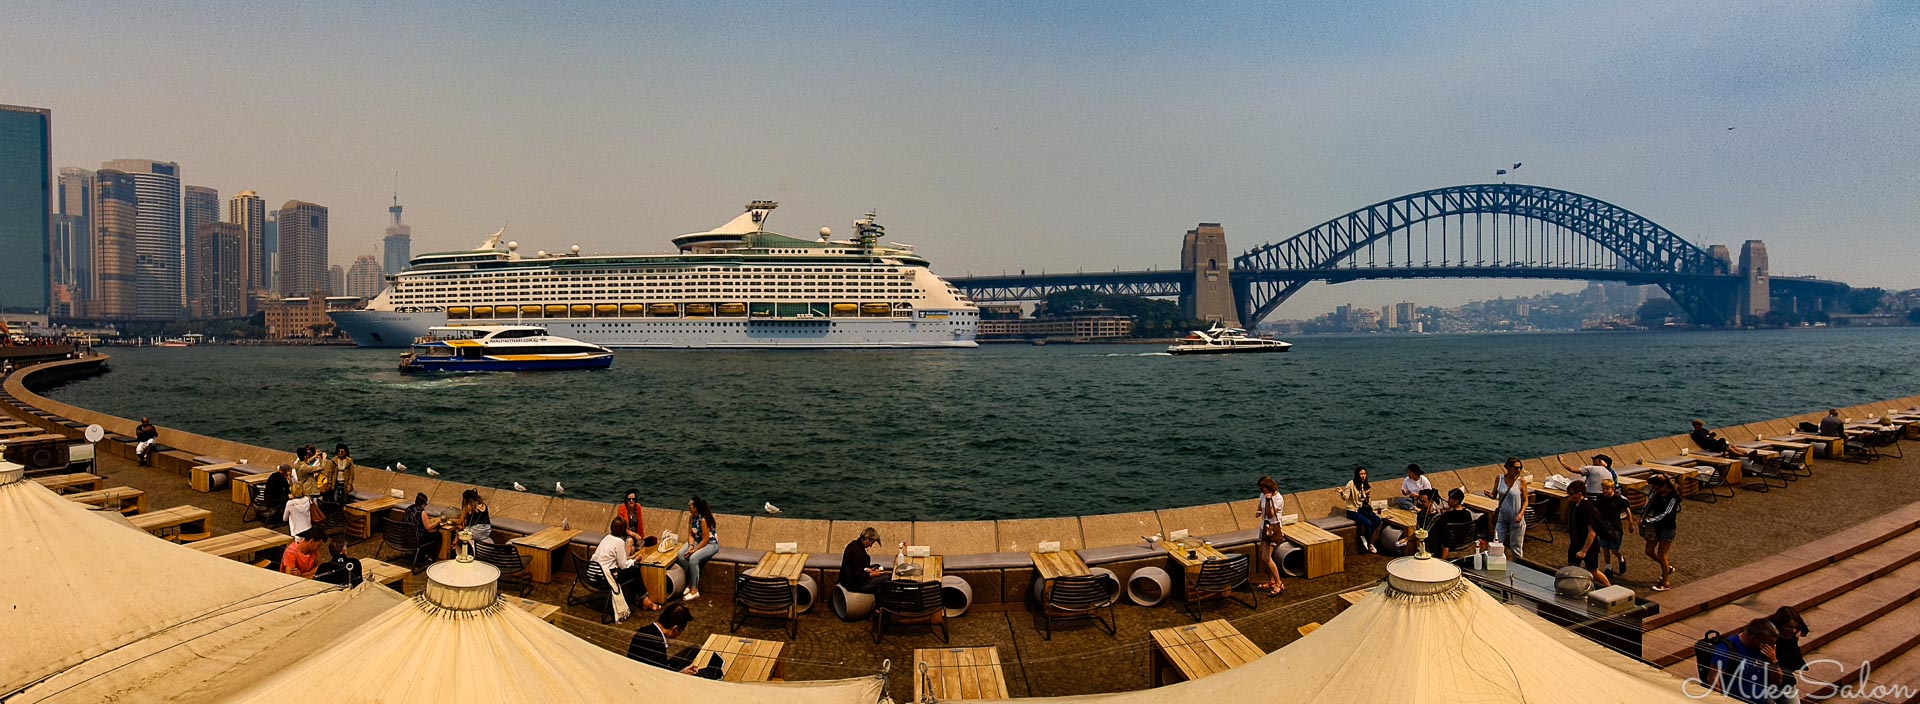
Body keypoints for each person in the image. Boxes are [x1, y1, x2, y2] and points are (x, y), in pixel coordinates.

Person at [1707, 618, 1788, 704]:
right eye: (1766, 643)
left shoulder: (1766, 651)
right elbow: (1713, 679)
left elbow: (1778, 681)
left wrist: (1773, 661)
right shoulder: (1727, 648)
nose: (1769, 647)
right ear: (1754, 638)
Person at [625, 604, 712, 676]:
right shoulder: (657, 645)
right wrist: (682, 673)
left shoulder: (644, 630)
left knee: (694, 649)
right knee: (705, 673)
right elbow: (661, 677)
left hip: (656, 668)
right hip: (649, 678)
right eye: (681, 631)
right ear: (675, 629)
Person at [593, 516, 655, 612]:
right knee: (634, 569)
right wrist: (635, 560)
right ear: (623, 530)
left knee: (630, 569)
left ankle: (636, 596)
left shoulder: (606, 538)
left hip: (593, 575)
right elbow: (623, 565)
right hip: (604, 579)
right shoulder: (619, 542)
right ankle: (645, 599)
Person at [1641, 473, 1682, 591]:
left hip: (1667, 528)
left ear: (1664, 485)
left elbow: (1667, 513)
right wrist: (1642, 517)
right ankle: (1667, 568)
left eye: (1657, 488)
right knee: (1649, 551)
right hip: (1655, 527)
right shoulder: (1657, 493)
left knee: (1662, 555)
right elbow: (1648, 505)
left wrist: (1650, 520)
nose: (1655, 490)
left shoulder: (1673, 497)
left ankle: (1665, 582)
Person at [1566, 488, 1612, 588]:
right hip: (1576, 543)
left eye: (1571, 494)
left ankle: (1610, 588)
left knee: (1593, 571)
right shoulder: (1574, 505)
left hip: (1589, 546)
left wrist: (1584, 551)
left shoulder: (1587, 508)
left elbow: (1592, 532)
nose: (1569, 496)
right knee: (1572, 568)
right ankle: (1574, 589)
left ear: (1579, 493)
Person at [1486, 457, 1529, 558]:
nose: (1518, 470)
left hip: (1516, 517)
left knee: (1516, 546)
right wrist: (1490, 495)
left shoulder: (1521, 482)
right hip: (1502, 515)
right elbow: (1494, 495)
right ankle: (1495, 564)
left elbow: (1526, 500)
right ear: (1508, 467)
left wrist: (1521, 514)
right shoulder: (1499, 479)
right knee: (1496, 542)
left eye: (1520, 468)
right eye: (1515, 468)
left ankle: (1518, 565)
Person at [679, 497, 720, 601]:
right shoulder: (691, 517)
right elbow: (691, 535)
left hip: (710, 543)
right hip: (698, 541)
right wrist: (691, 546)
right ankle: (689, 582)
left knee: (693, 559)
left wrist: (694, 551)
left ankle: (695, 590)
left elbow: (706, 540)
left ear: (696, 508)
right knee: (681, 555)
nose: (689, 506)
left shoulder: (703, 520)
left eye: (691, 505)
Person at [1253, 475, 1285, 596]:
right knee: (1264, 556)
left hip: (1273, 530)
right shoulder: (1263, 495)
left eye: (1263, 488)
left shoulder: (1278, 499)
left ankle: (1278, 583)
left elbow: (1271, 514)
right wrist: (1258, 511)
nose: (1261, 490)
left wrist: (1268, 500)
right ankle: (1272, 581)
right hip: (1264, 528)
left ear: (1268, 487)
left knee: (1266, 557)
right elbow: (1260, 502)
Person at [1595, 479, 1635, 577]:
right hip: (1604, 527)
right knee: (1605, 548)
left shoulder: (1619, 499)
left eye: (1607, 489)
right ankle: (1608, 568)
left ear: (1612, 489)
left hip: (1615, 527)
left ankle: (1621, 559)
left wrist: (1631, 523)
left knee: (1614, 549)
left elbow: (1627, 510)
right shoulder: (1600, 498)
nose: (1605, 491)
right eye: (1603, 489)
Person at [1337, 466, 1380, 553]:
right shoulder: (1351, 483)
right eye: (1361, 474)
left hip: (1362, 509)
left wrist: (1367, 497)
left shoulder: (1365, 485)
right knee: (1368, 523)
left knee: (1377, 520)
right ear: (1357, 475)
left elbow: (1366, 501)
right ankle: (1369, 543)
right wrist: (1341, 492)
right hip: (1352, 511)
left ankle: (1365, 537)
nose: (1363, 476)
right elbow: (1345, 498)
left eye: (1364, 474)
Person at [1769, 606, 1810, 697]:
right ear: (1780, 625)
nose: (1793, 630)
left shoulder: (1793, 636)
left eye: (1796, 627)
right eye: (1789, 627)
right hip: (1768, 682)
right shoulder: (1770, 639)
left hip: (1787, 681)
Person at [838, 527, 889, 594]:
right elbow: (857, 575)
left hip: (849, 579)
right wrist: (871, 574)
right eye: (872, 542)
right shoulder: (857, 552)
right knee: (886, 578)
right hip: (854, 584)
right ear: (867, 539)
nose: (871, 545)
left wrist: (869, 570)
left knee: (877, 566)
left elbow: (858, 568)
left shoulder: (855, 545)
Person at [1432, 488, 1477, 559]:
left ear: (1456, 501)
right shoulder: (1467, 513)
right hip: (1463, 541)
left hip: (1450, 544)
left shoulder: (1446, 516)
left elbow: (1439, 530)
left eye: (1450, 498)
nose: (1447, 500)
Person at [399, 492, 442, 558]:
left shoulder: (408, 508)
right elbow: (428, 527)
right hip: (417, 539)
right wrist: (438, 522)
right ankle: (430, 556)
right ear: (423, 504)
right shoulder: (422, 512)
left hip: (405, 537)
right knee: (438, 535)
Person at [262, 463, 293, 527]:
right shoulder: (282, 479)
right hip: (274, 501)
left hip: (267, 499)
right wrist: (290, 480)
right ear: (285, 471)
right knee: (290, 497)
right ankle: (287, 517)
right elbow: (289, 492)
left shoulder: (272, 475)